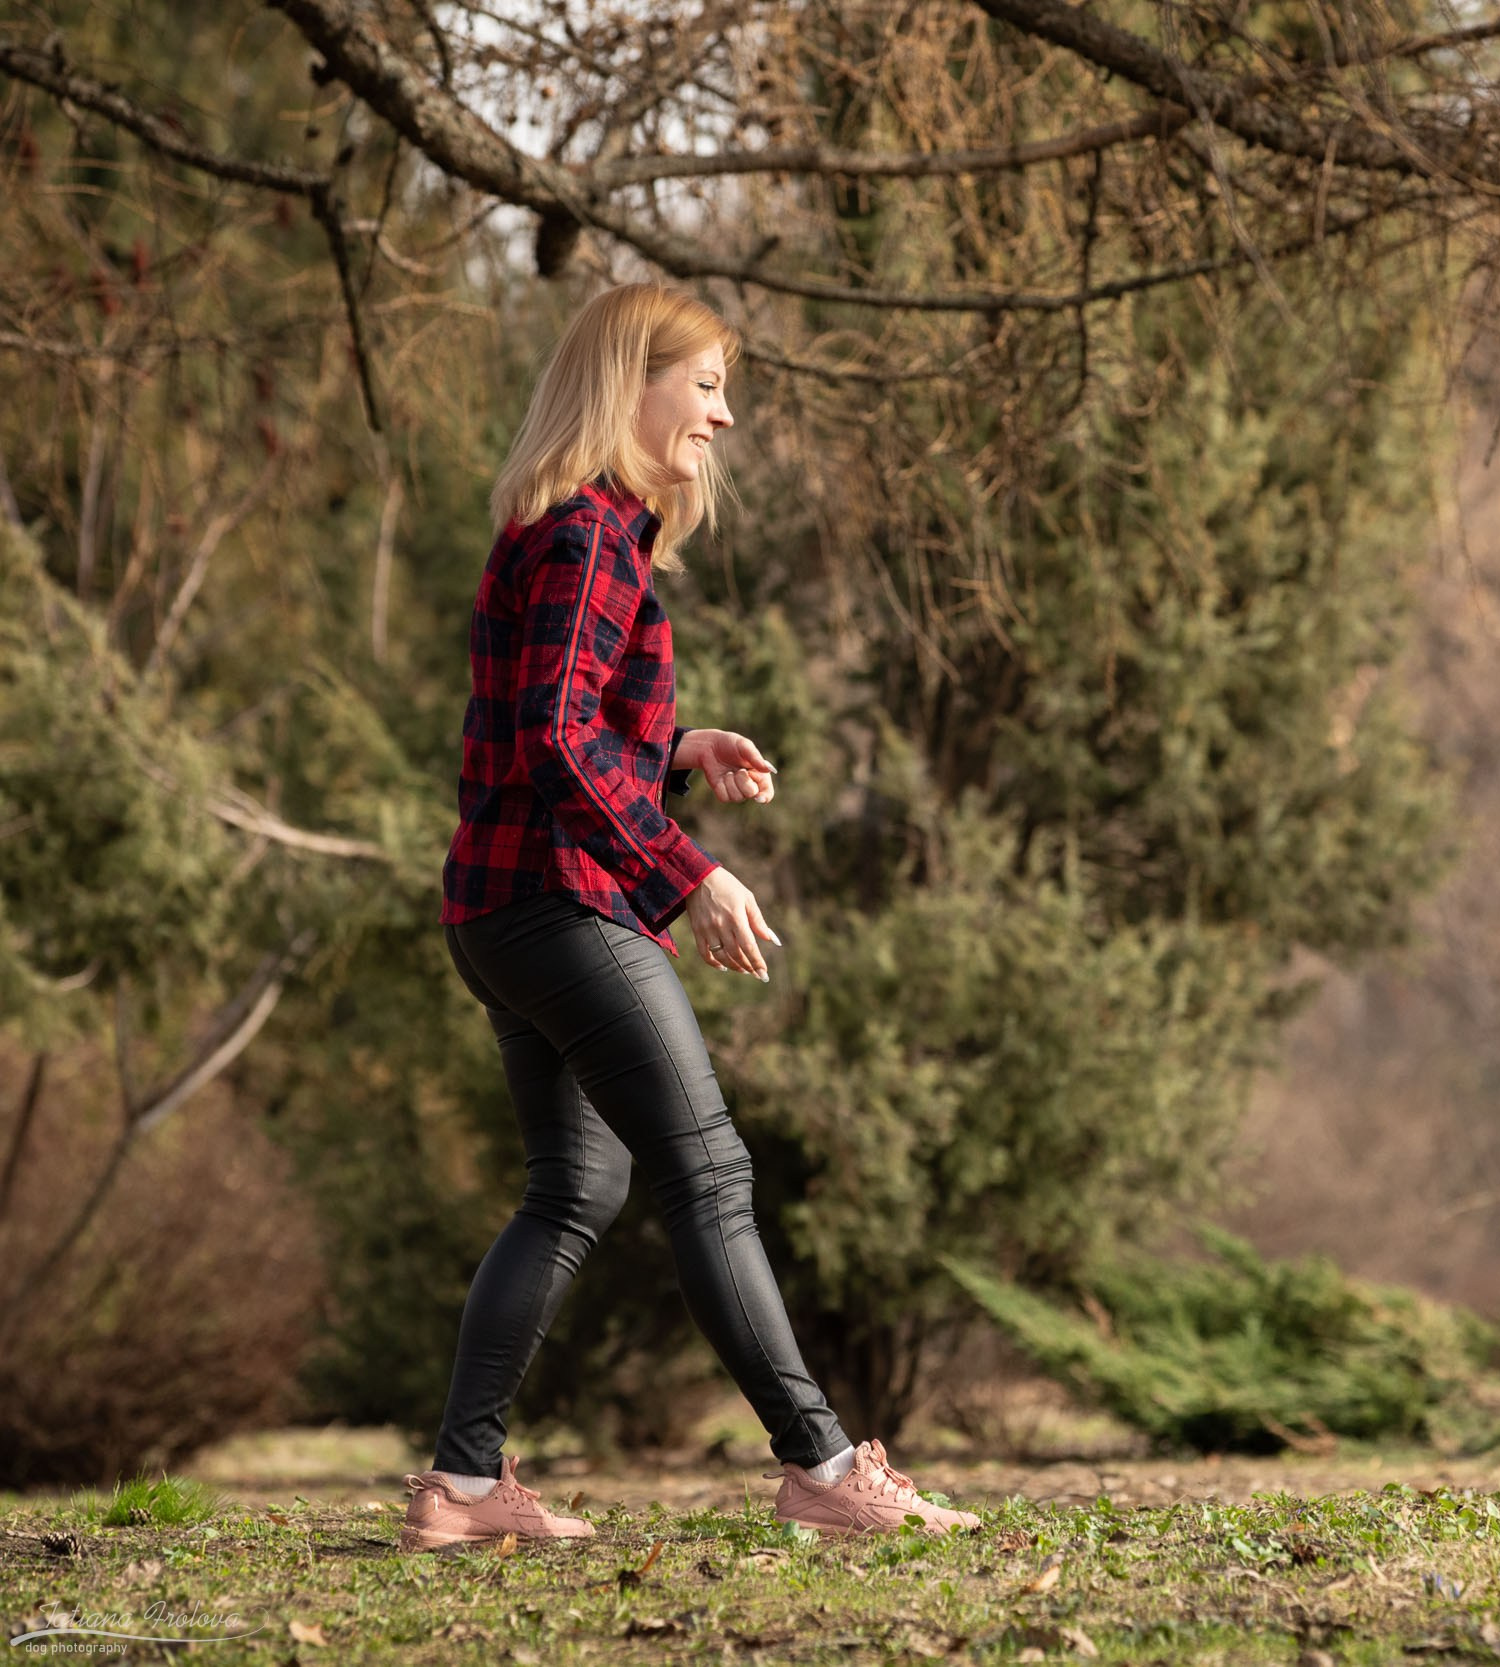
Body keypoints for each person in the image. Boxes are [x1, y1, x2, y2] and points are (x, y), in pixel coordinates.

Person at [400, 282, 977, 1553]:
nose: (721, 415)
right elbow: (549, 738)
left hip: (503, 906)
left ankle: (459, 1484)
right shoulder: (589, 534)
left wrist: (673, 750)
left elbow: (549, 732)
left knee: (575, 1185)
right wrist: (686, 871)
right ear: (632, 384)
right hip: (564, 902)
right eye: (704, 384)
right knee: (708, 1170)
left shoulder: (573, 528)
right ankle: (824, 1463)